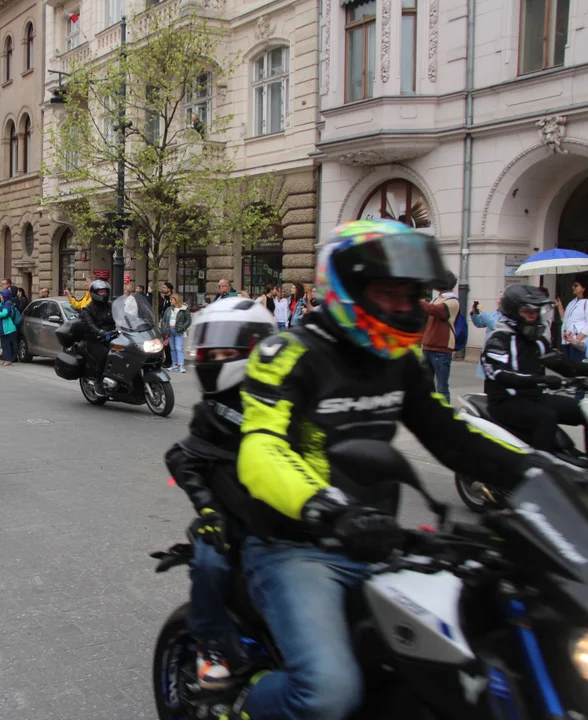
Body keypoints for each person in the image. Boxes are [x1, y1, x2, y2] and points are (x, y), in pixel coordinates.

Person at [232, 219, 538, 720]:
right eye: (388, 293)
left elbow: (450, 433)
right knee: (328, 692)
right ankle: (242, 706)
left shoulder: (399, 360)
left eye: (411, 295)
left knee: (479, 656)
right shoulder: (287, 354)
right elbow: (261, 450)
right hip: (298, 544)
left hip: (382, 539)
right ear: (348, 288)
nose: (403, 307)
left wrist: (542, 471)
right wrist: (327, 509)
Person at [164, 298, 276, 688]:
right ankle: (211, 644)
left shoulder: (283, 399)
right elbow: (185, 459)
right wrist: (209, 510)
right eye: (209, 351)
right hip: (224, 520)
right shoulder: (210, 412)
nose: (215, 359)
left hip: (283, 519)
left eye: (226, 352)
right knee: (212, 566)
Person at [482, 283, 588, 452]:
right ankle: (541, 467)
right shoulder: (499, 339)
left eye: (535, 312)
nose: (533, 316)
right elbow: (501, 375)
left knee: (585, 410)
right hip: (505, 402)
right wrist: (542, 380)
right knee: (546, 417)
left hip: (535, 398)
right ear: (513, 311)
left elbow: (566, 366)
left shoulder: (537, 340)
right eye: (527, 312)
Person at [419, 271, 461, 402]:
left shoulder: (453, 302)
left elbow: (435, 310)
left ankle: (445, 416)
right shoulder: (437, 299)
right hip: (428, 346)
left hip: (441, 349)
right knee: (427, 385)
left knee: (442, 387)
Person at [79, 279, 116, 391]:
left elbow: (123, 316)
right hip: (95, 339)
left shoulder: (110, 305)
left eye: (105, 292)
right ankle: (98, 381)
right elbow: (90, 324)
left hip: (112, 336)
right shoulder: (87, 309)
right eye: (101, 292)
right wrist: (100, 332)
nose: (103, 294)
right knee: (104, 354)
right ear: (94, 293)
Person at [470, 291, 504, 380]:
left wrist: (483, 313)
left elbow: (495, 326)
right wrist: (475, 314)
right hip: (488, 351)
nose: (498, 301)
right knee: (488, 381)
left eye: (501, 299)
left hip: (499, 354)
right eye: (498, 298)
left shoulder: (509, 315)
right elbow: (480, 324)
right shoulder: (496, 312)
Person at [161, 292, 191, 372]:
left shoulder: (184, 309)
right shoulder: (169, 309)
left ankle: (181, 365)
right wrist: (165, 329)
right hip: (169, 331)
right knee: (173, 348)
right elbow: (164, 320)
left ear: (176, 299)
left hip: (178, 331)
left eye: (172, 299)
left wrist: (183, 327)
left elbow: (188, 320)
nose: (170, 301)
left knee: (179, 348)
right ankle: (174, 364)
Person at [0, 288, 20, 366]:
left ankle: (8, 360)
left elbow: (5, 313)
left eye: (1, 295)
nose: (0, 296)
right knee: (3, 344)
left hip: (7, 328)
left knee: (6, 344)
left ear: (5, 296)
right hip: (3, 327)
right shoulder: (3, 303)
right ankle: (5, 358)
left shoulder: (7, 303)